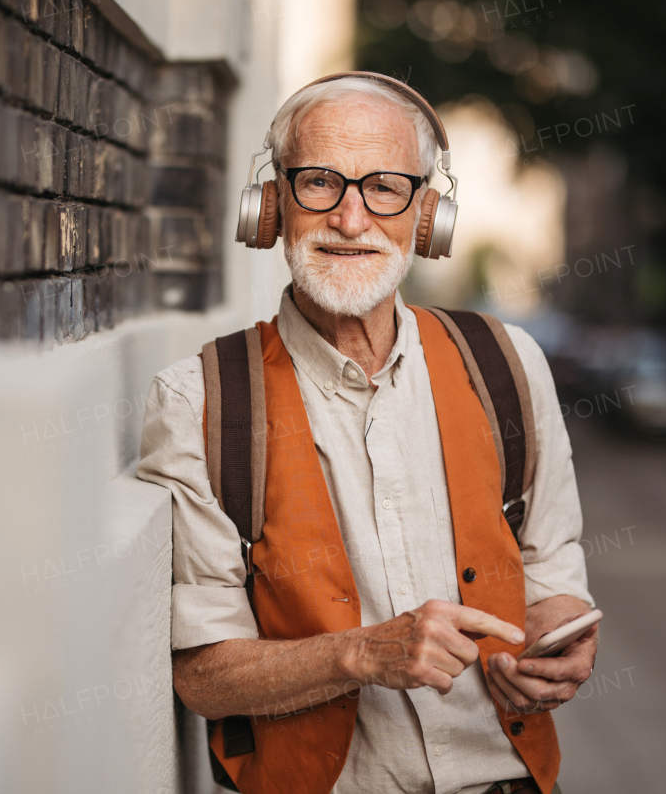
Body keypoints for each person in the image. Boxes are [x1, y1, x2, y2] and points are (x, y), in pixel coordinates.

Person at [137, 73, 596, 794]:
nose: (351, 219)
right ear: (272, 205)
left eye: (385, 187)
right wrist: (359, 655)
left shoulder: (507, 364)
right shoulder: (198, 400)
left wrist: (560, 641)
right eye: (319, 182)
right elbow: (204, 677)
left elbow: (552, 576)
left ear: (426, 214)